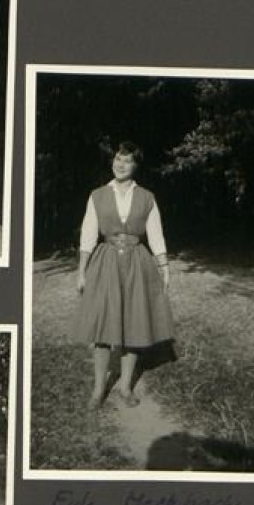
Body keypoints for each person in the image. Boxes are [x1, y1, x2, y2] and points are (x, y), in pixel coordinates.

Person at [74, 141, 176, 407]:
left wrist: (164, 268)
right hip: (105, 260)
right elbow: (87, 235)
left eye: (127, 160)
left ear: (135, 165)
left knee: (134, 324)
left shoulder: (146, 197)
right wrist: (81, 272)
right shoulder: (97, 195)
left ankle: (125, 388)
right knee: (102, 328)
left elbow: (155, 235)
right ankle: (98, 389)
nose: (120, 164)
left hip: (137, 263)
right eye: (118, 159)